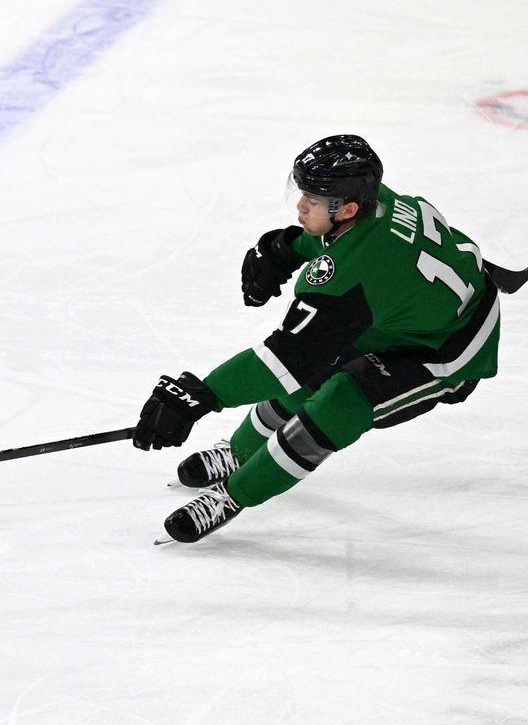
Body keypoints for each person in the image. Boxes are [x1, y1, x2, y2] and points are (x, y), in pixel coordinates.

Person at [131, 135, 500, 543]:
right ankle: (241, 452)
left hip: (445, 350)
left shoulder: (354, 275)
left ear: (348, 207)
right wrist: (287, 248)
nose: (300, 206)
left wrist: (202, 395)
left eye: (313, 198)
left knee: (339, 401)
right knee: (317, 367)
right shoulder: (376, 204)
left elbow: (284, 361)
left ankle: (235, 494)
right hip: (410, 310)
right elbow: (344, 243)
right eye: (302, 191)